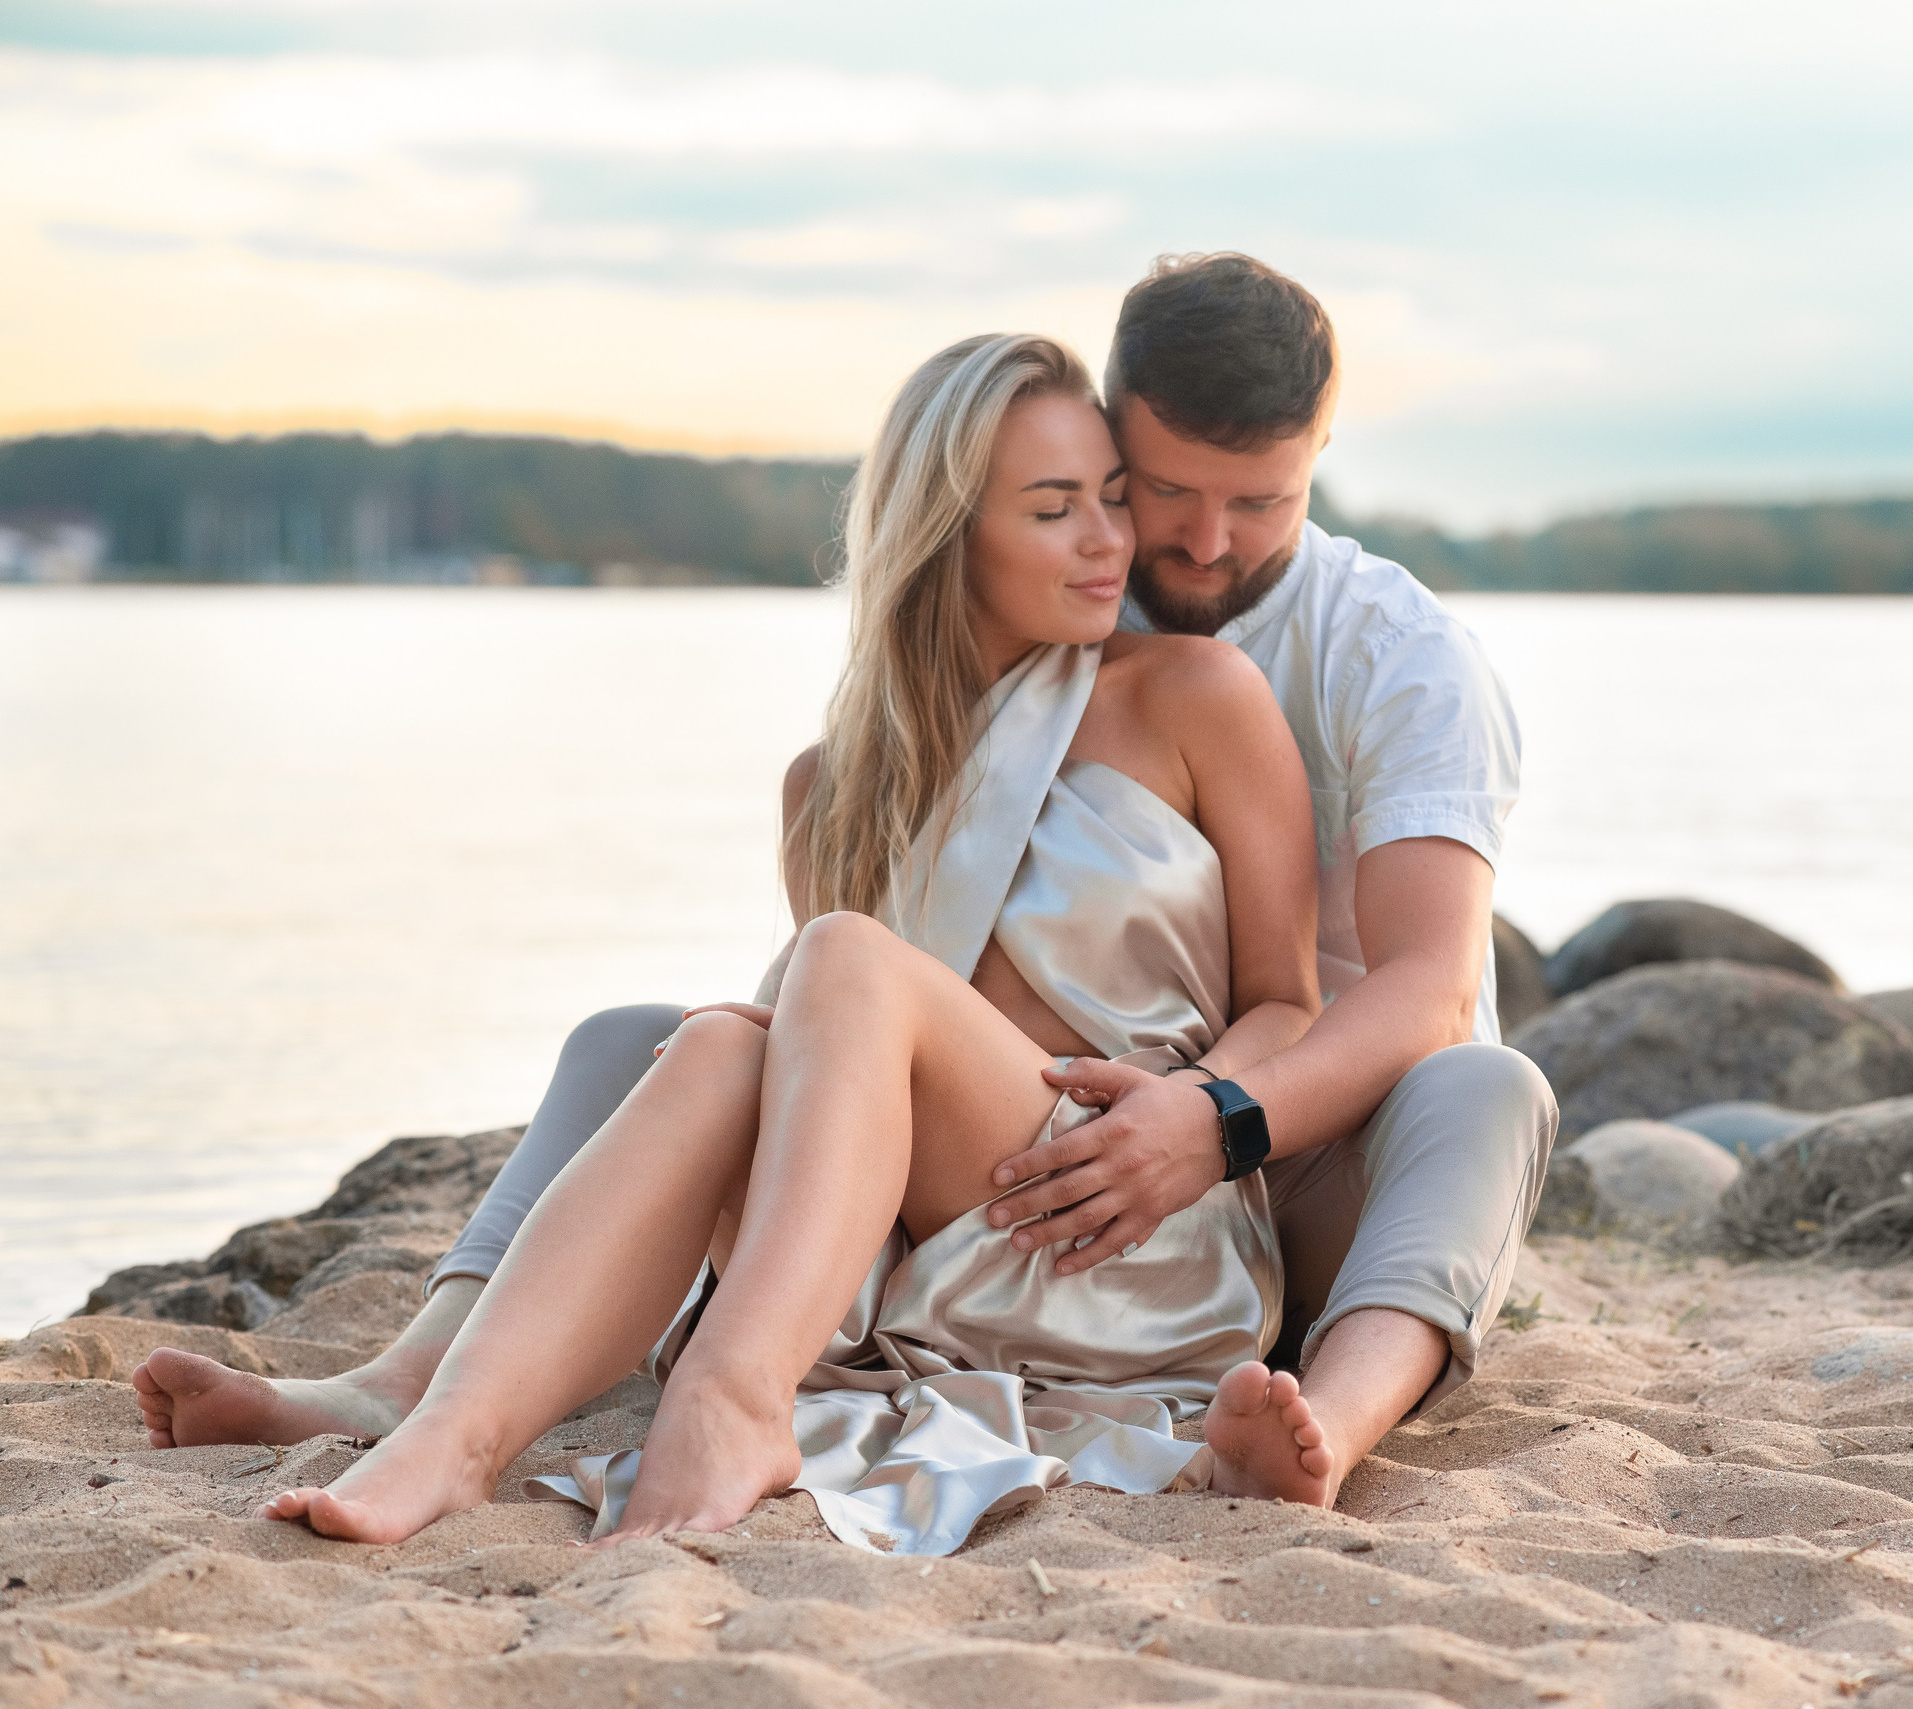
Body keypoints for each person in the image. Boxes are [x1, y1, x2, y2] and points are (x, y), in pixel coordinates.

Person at [139, 253, 1558, 1513]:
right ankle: (416, 1394)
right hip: (974, 1176)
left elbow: (1407, 991)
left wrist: (1207, 1120)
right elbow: (854, 1014)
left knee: (1486, 1083)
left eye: (1257, 503)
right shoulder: (893, 737)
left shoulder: (1330, 662)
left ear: (1314, 465)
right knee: (662, 1039)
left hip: (1290, 1151)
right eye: (1137, 493)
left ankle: (1322, 1427)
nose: (1174, 543)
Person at [258, 331, 1329, 1549]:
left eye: (1113, 500)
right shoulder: (831, 787)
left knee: (840, 956)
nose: (1109, 541)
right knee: (713, 1044)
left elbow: (1288, 1003)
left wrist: (1189, 1119)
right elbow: (840, 1074)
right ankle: (451, 1438)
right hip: (913, 1240)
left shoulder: (1191, 694)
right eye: (1054, 508)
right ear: (946, 529)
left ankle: (732, 1394)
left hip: (1128, 1218)